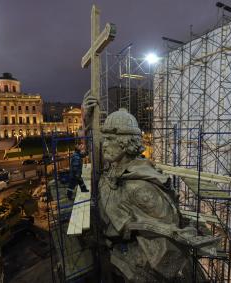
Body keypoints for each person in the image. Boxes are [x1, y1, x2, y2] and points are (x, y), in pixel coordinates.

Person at [82, 93, 218, 282]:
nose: (104, 145)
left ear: (126, 143)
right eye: (104, 139)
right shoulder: (113, 171)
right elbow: (94, 156)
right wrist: (87, 122)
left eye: (110, 139)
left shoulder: (140, 188)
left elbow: (168, 252)